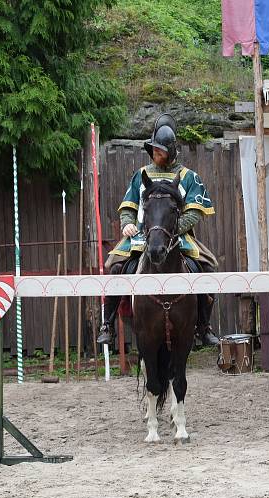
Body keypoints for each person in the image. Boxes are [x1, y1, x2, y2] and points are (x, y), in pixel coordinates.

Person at [96, 114, 220, 347]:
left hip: (178, 237)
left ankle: (203, 326)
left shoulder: (189, 177)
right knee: (116, 267)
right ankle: (108, 325)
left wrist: (170, 231)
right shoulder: (141, 175)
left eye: (160, 150)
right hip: (140, 236)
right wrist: (127, 224)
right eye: (153, 149)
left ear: (171, 151)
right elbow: (129, 206)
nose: (155, 153)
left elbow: (194, 213)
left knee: (208, 267)